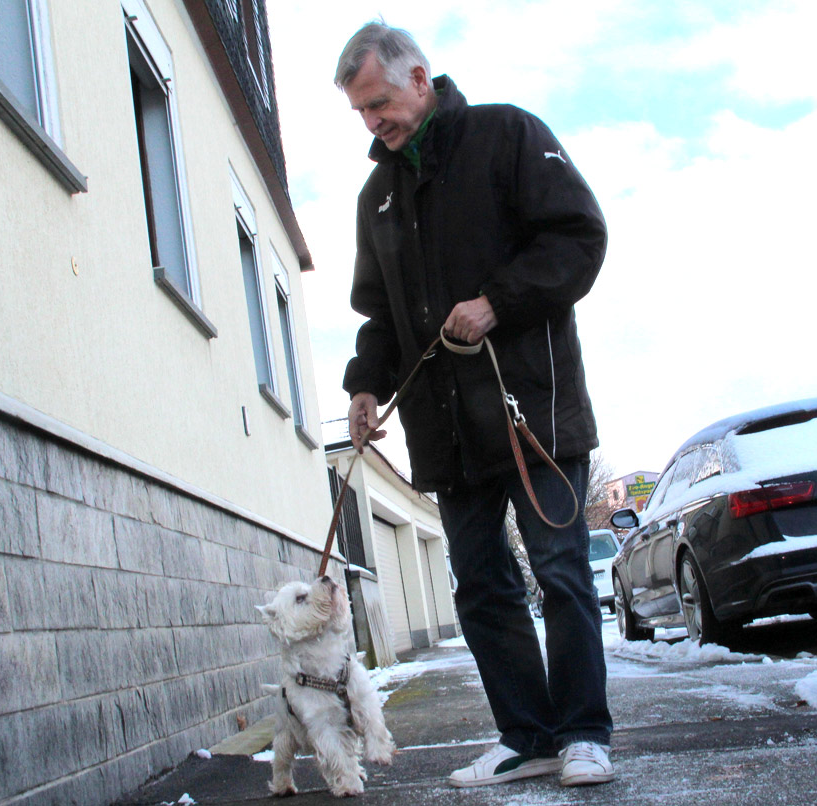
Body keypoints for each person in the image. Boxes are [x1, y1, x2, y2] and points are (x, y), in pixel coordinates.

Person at [335, 22, 613, 788]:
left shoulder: (507, 135)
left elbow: (579, 238)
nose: (372, 122)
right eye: (360, 112)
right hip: (446, 430)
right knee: (481, 584)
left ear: (419, 80)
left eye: (380, 103)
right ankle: (528, 737)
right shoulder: (377, 197)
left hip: (534, 410)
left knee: (559, 571)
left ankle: (585, 732)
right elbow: (381, 317)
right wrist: (364, 384)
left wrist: (498, 302)